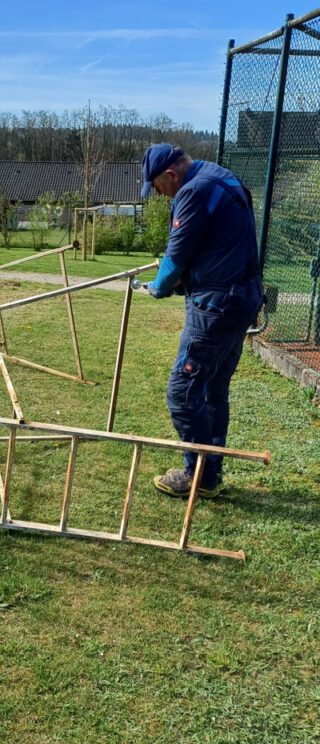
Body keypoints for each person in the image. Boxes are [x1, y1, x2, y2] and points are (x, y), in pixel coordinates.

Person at [140, 143, 264, 498]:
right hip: (241, 298)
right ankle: (210, 474)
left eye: (158, 187)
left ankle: (199, 476)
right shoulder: (219, 175)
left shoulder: (193, 191)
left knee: (182, 392)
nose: (160, 195)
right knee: (212, 388)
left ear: (171, 174)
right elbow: (215, 245)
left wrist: (159, 286)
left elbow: (176, 257)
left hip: (216, 306)